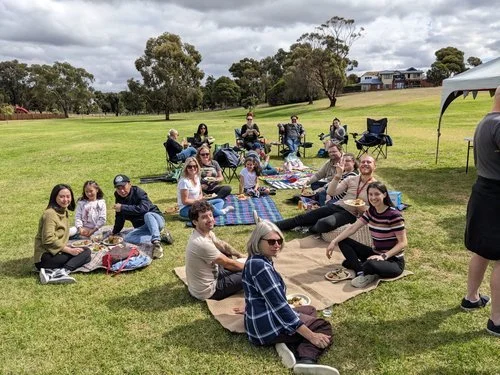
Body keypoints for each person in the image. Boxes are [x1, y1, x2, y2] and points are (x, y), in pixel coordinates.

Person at [241, 220, 339, 374]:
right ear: (257, 241)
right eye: (271, 241)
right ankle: (306, 360)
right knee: (322, 326)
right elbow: (280, 307)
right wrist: (312, 336)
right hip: (265, 329)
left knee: (310, 309)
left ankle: (284, 344)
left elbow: (257, 294)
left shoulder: (255, 259)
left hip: (258, 321)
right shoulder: (261, 267)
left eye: (279, 241)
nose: (277, 245)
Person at [462, 85, 500, 337]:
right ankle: (497, 320)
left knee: (482, 250)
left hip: (484, 191)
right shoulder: (499, 123)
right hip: (496, 196)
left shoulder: (485, 121)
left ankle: (471, 297)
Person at [326, 181, 407, 288]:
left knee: (368, 263)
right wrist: (333, 241)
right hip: (375, 253)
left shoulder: (394, 215)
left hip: (393, 260)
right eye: (370, 194)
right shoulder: (371, 212)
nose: (373, 197)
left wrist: (383, 256)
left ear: (385, 194)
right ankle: (361, 271)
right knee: (343, 241)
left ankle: (365, 269)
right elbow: (353, 228)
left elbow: (403, 243)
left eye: (377, 194)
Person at [275, 155, 377, 234]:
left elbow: (379, 209)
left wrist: (363, 208)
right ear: (359, 165)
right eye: (363, 162)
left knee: (323, 223)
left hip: (352, 214)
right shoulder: (351, 179)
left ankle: (309, 228)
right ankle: (273, 225)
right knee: (304, 217)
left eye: (369, 162)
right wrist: (338, 175)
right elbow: (331, 192)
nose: (365, 164)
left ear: (374, 166)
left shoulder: (376, 186)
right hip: (338, 206)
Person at [185, 200, 244, 301]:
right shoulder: (201, 243)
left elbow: (222, 245)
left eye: (210, 215)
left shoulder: (204, 232)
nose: (210, 219)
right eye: (204, 217)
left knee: (226, 253)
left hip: (211, 275)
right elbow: (228, 263)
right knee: (252, 273)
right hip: (209, 291)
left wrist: (240, 255)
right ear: (195, 222)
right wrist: (251, 266)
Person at [34, 184, 91, 284]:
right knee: (85, 253)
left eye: (68, 196)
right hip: (45, 257)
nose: (65, 200)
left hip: (55, 253)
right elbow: (48, 239)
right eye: (61, 196)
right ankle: (62, 272)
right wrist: (69, 250)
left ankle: (51, 272)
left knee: (86, 254)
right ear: (54, 197)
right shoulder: (50, 214)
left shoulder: (63, 211)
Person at [112, 174, 171, 260]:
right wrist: (114, 232)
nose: (122, 191)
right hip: (143, 227)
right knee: (127, 238)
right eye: (118, 188)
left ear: (129, 184)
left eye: (123, 187)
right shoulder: (118, 196)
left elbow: (144, 209)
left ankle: (157, 244)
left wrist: (123, 207)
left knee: (148, 215)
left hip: (156, 220)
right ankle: (161, 236)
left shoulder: (138, 192)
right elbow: (120, 216)